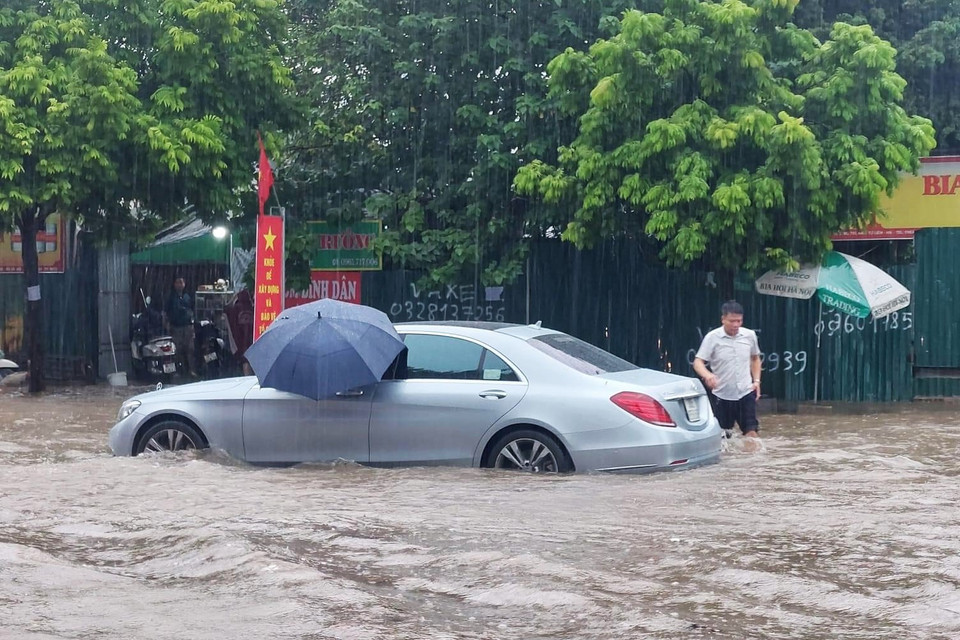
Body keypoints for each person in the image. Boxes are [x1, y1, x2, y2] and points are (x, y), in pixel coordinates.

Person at [693, 300, 762, 441]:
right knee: (723, 437)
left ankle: (753, 462)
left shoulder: (749, 335)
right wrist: (708, 375)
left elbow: (755, 359)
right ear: (723, 319)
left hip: (746, 392)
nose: (736, 325)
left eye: (739, 321)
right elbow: (698, 362)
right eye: (732, 321)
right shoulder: (712, 337)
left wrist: (757, 381)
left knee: (752, 433)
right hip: (722, 395)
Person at [164, 276, 196, 377]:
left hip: (187, 327)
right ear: (174, 284)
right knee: (177, 350)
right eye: (177, 282)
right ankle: (177, 371)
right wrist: (167, 324)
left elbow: (193, 310)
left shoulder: (188, 296)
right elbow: (166, 312)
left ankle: (191, 370)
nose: (179, 285)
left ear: (184, 284)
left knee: (190, 349)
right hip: (176, 327)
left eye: (181, 282)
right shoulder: (171, 297)